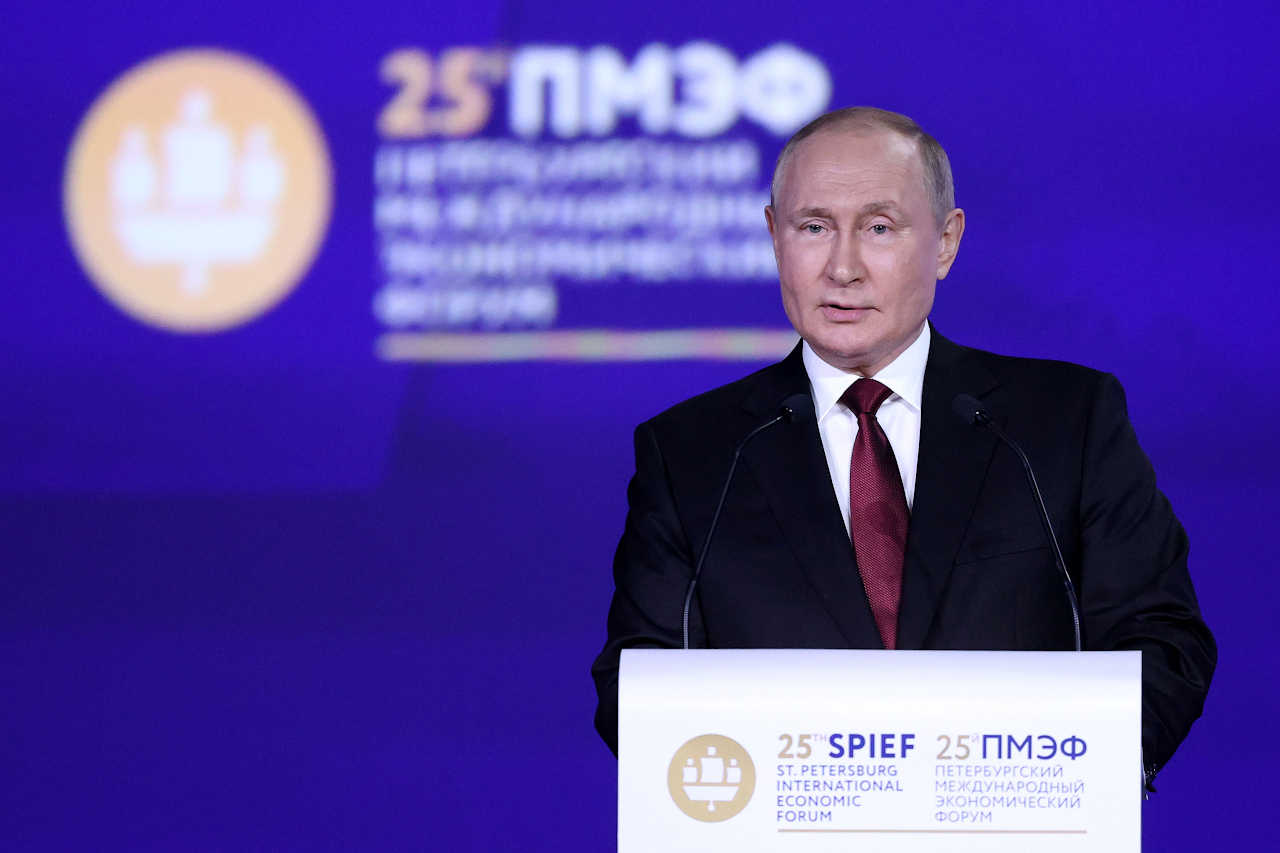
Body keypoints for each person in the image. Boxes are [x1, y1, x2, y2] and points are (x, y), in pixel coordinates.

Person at [590, 107, 1215, 787]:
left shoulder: (1064, 422)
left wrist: (1069, 785)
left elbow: (1159, 639)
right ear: (774, 237)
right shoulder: (692, 452)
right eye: (813, 227)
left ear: (946, 242)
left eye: (879, 228)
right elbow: (638, 685)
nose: (843, 268)